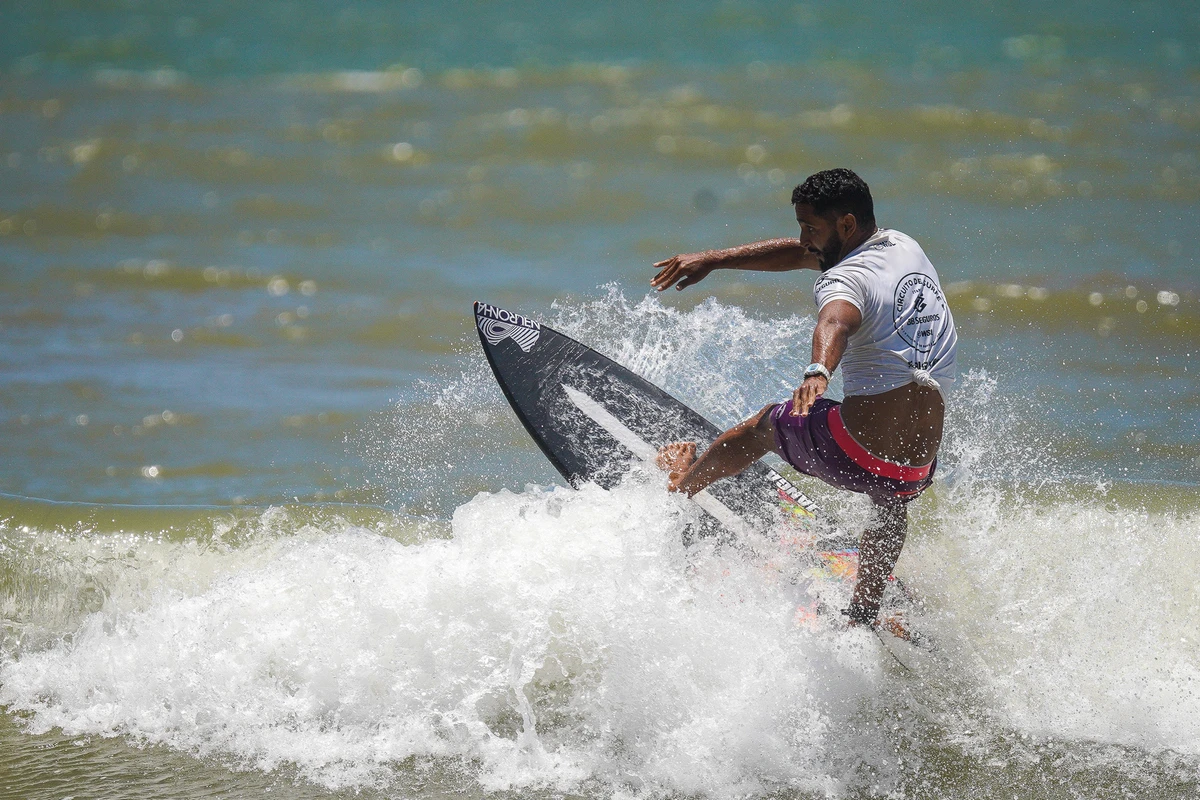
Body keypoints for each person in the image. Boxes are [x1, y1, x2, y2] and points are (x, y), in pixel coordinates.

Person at [650, 168, 957, 627]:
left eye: (811, 228)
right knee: (889, 504)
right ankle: (864, 609)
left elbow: (836, 320)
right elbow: (801, 254)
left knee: (763, 427)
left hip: (857, 452)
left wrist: (818, 370)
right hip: (916, 468)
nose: (803, 238)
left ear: (847, 226)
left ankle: (682, 485)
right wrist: (713, 259)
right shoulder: (901, 247)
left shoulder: (844, 282)